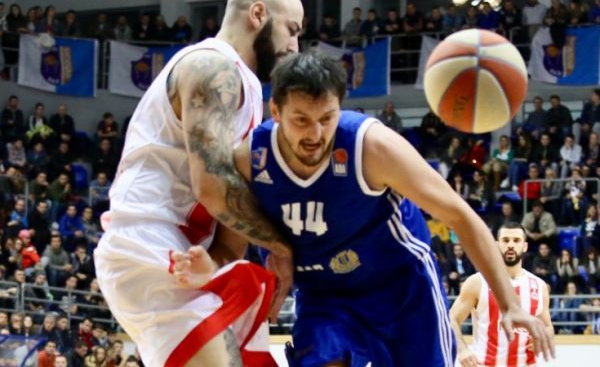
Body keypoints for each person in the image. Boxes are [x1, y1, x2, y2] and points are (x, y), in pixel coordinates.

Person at [176, 52, 554, 366]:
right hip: (324, 294)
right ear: (275, 110)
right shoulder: (252, 160)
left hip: (401, 288)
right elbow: (232, 243)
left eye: (327, 118)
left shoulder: (371, 147)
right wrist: (208, 268)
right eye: (301, 120)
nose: (315, 135)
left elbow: (459, 215)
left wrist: (509, 303)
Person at [94, 0, 303, 367]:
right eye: (292, 30)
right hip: (147, 243)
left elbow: (227, 229)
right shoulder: (212, 66)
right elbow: (211, 185)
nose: (295, 46)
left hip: (186, 255)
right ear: (258, 14)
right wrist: (281, 247)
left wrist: (223, 262)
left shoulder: (247, 88)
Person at [450, 223, 553, 367]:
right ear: (497, 245)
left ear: (525, 246)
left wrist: (543, 339)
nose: (511, 245)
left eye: (516, 240)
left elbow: (547, 326)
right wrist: (462, 349)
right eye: (505, 240)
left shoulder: (539, 286)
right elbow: (451, 319)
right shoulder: (477, 282)